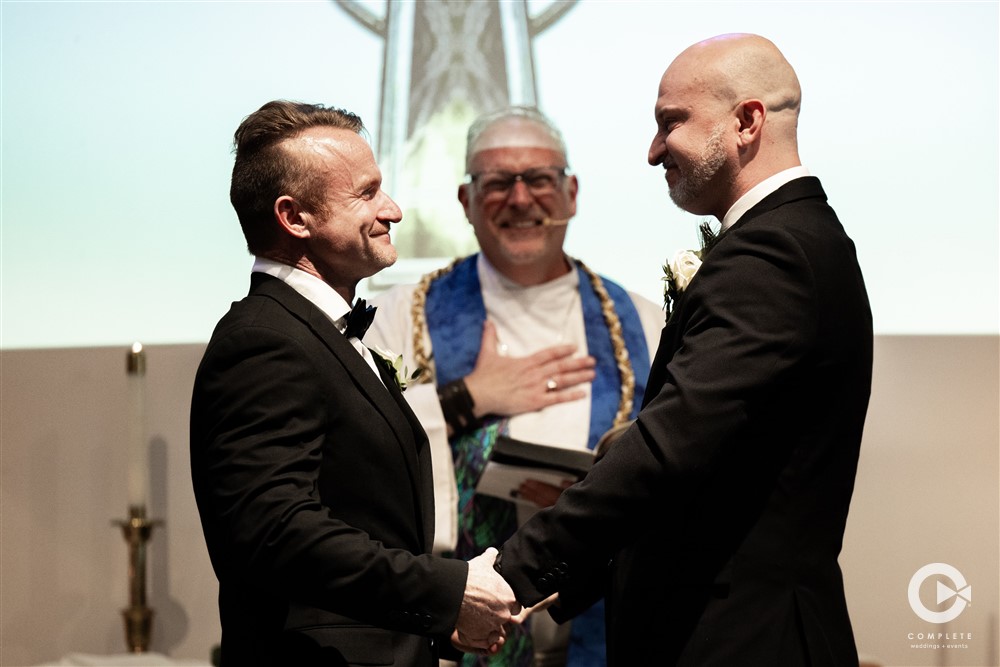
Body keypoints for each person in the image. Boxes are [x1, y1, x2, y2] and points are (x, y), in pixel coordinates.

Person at [492, 33, 874, 666]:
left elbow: (670, 449)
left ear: (747, 121)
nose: (652, 151)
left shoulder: (772, 255)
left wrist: (513, 576)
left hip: (743, 640)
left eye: (671, 122)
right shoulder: (791, 238)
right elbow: (712, 471)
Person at [189, 100, 521, 667]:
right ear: (296, 218)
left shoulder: (317, 333)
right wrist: (445, 592)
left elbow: (359, 516)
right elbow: (276, 530)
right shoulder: (263, 341)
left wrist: (433, 626)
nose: (391, 209)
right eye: (366, 194)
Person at [366, 106, 664, 667]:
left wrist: (593, 504)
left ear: (571, 192)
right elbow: (362, 454)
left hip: (598, 630)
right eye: (498, 182)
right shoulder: (398, 315)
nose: (522, 199)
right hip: (452, 630)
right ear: (466, 202)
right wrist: (466, 398)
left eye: (540, 179)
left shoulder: (645, 324)